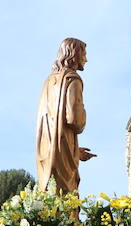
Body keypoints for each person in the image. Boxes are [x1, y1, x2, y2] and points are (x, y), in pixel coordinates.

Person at [34, 38, 94, 193]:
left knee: (48, 197)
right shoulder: (72, 79)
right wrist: (84, 112)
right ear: (74, 54)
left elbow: (53, 121)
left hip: (47, 150)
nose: (86, 60)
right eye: (84, 54)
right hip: (61, 155)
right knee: (65, 200)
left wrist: (74, 150)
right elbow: (75, 120)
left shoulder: (48, 81)